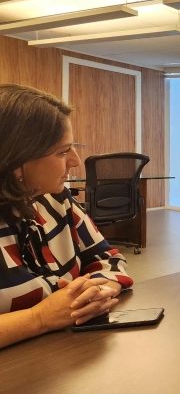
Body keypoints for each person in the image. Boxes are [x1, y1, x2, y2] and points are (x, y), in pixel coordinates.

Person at [0, 84, 133, 349]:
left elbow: (109, 259)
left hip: (68, 357)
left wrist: (96, 292)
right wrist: (39, 318)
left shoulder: (56, 200)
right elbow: (47, 315)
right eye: (62, 152)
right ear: (16, 163)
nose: (75, 161)